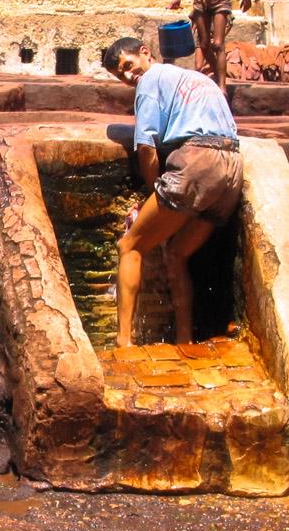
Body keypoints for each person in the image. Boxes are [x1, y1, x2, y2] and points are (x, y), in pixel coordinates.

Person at [102, 37, 243, 347]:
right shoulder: (195, 79)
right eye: (119, 75)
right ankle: (184, 340)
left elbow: (146, 148)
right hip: (231, 169)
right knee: (177, 253)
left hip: (197, 164)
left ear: (145, 53)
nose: (127, 76)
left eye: (127, 65)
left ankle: (123, 344)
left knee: (130, 247)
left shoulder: (150, 81)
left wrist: (152, 192)